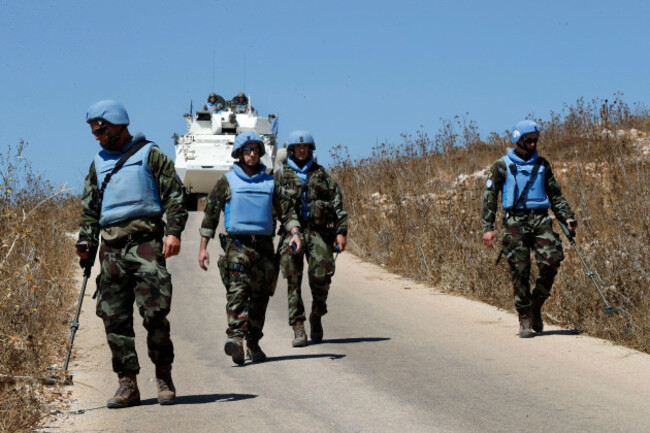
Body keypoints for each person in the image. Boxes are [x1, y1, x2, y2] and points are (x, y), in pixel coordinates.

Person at [75, 100, 188, 408]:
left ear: (117, 124)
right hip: (111, 250)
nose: (97, 137)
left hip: (146, 245)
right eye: (93, 132)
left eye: (100, 130)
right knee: (114, 318)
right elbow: (90, 210)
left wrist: (174, 232)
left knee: (154, 314)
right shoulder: (97, 164)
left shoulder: (150, 155)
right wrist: (87, 242)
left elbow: (175, 195)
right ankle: (128, 384)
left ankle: (163, 375)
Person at [198, 131, 302, 364]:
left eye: (256, 150)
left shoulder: (270, 182)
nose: (252, 154)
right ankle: (236, 338)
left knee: (260, 297)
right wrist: (203, 247)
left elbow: (286, 211)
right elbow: (210, 215)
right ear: (239, 153)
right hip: (237, 245)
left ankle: (253, 343)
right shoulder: (226, 181)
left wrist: (295, 233)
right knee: (238, 291)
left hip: (264, 247)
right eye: (247, 150)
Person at [481, 120, 577, 338]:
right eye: (529, 140)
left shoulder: (543, 164)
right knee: (520, 271)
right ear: (518, 139)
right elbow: (489, 198)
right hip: (514, 222)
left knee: (552, 260)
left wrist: (567, 217)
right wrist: (488, 228)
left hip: (540, 219)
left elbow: (555, 195)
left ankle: (536, 304)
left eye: (536, 140)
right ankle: (524, 317)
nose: (533, 144)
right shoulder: (500, 166)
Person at [275, 131, 348, 347]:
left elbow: (338, 205)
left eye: (305, 147)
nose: (301, 150)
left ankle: (317, 314)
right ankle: (298, 326)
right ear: (291, 151)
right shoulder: (281, 175)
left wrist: (341, 232)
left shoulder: (322, 175)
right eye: (298, 147)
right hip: (292, 233)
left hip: (318, 233)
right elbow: (274, 207)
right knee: (293, 279)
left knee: (321, 276)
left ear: (310, 149)